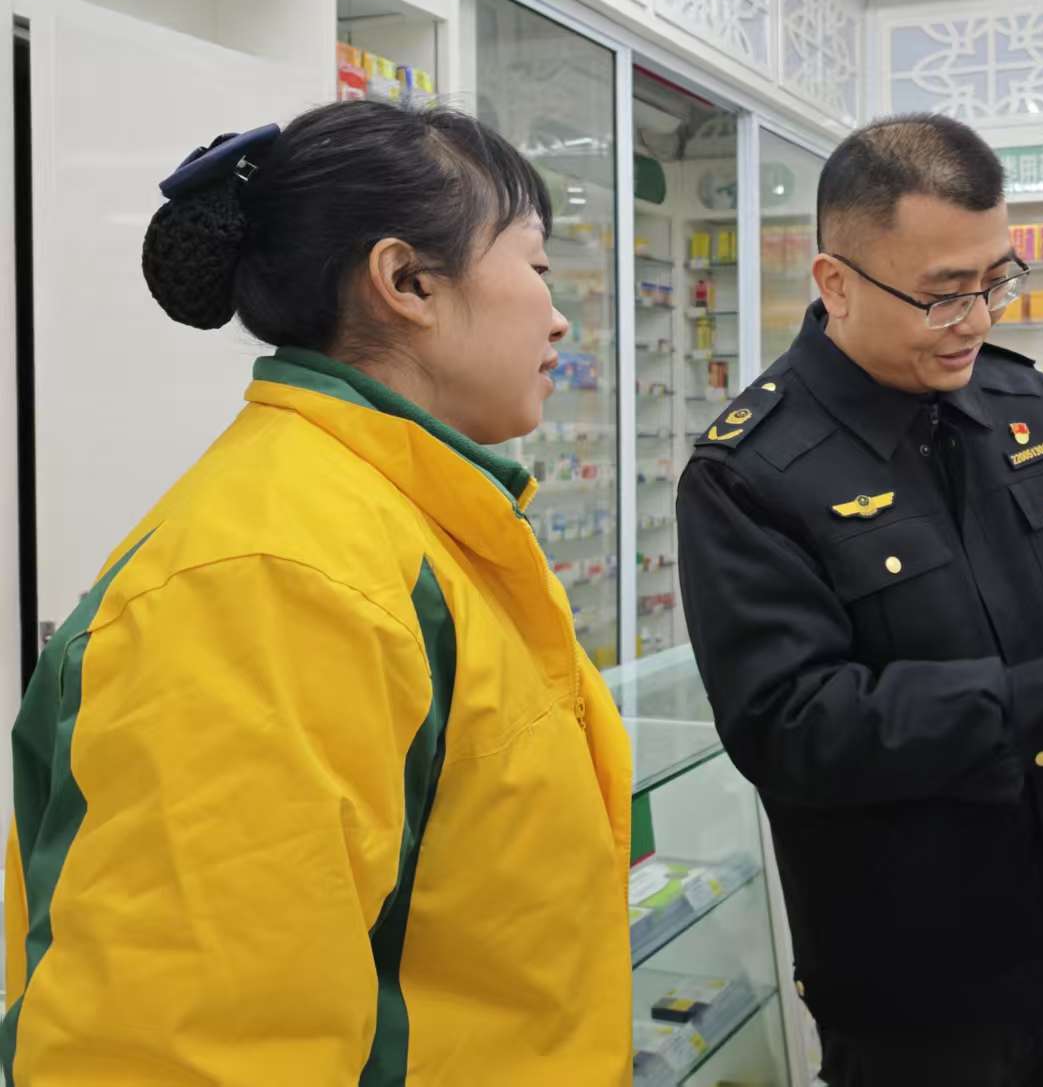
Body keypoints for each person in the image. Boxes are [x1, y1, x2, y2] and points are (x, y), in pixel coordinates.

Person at [2, 102, 634, 1084]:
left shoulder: (405, 517)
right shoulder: (276, 577)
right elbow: (194, 1048)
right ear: (407, 281)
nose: (558, 316)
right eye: (537, 265)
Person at [674, 113, 1043, 1087]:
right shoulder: (749, 473)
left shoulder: (1017, 401)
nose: (976, 319)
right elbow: (791, 725)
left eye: (995, 282)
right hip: (916, 989)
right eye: (942, 295)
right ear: (835, 282)